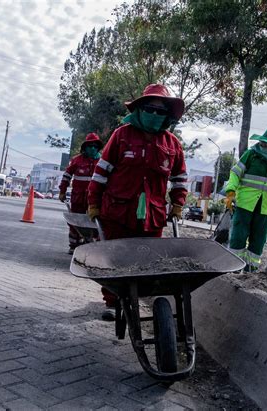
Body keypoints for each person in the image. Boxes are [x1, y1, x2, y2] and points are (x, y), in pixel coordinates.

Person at [87, 84, 188, 320]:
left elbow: (180, 179)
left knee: (146, 262)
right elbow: (101, 174)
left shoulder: (172, 144)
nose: (154, 114)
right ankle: (112, 302)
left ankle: (135, 297)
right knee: (115, 260)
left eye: (160, 111)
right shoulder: (121, 135)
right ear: (140, 109)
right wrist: (93, 203)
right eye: (150, 109)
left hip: (152, 217)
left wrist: (178, 204)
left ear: (168, 115)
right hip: (117, 212)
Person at [225, 128, 267, 272]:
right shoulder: (250, 155)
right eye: (262, 141)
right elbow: (235, 173)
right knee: (239, 235)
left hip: (266, 207)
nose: (263, 144)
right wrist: (230, 192)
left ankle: (251, 270)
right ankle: (234, 268)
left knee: (259, 239)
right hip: (245, 203)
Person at [59, 133, 103, 254]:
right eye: (90, 146)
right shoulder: (77, 161)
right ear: (85, 147)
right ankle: (74, 245)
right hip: (78, 199)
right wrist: (62, 191)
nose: (92, 148)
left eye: (95, 146)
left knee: (97, 224)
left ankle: (92, 246)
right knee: (75, 223)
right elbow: (66, 176)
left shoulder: (102, 162)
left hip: (95, 201)